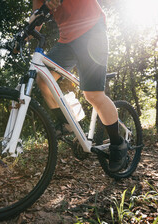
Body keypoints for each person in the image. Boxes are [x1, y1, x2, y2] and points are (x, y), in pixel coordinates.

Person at [31, 0, 127, 173]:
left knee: (93, 95)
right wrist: (23, 34)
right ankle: (66, 122)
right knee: (43, 79)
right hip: (66, 41)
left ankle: (117, 144)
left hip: (91, 29)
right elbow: (35, 18)